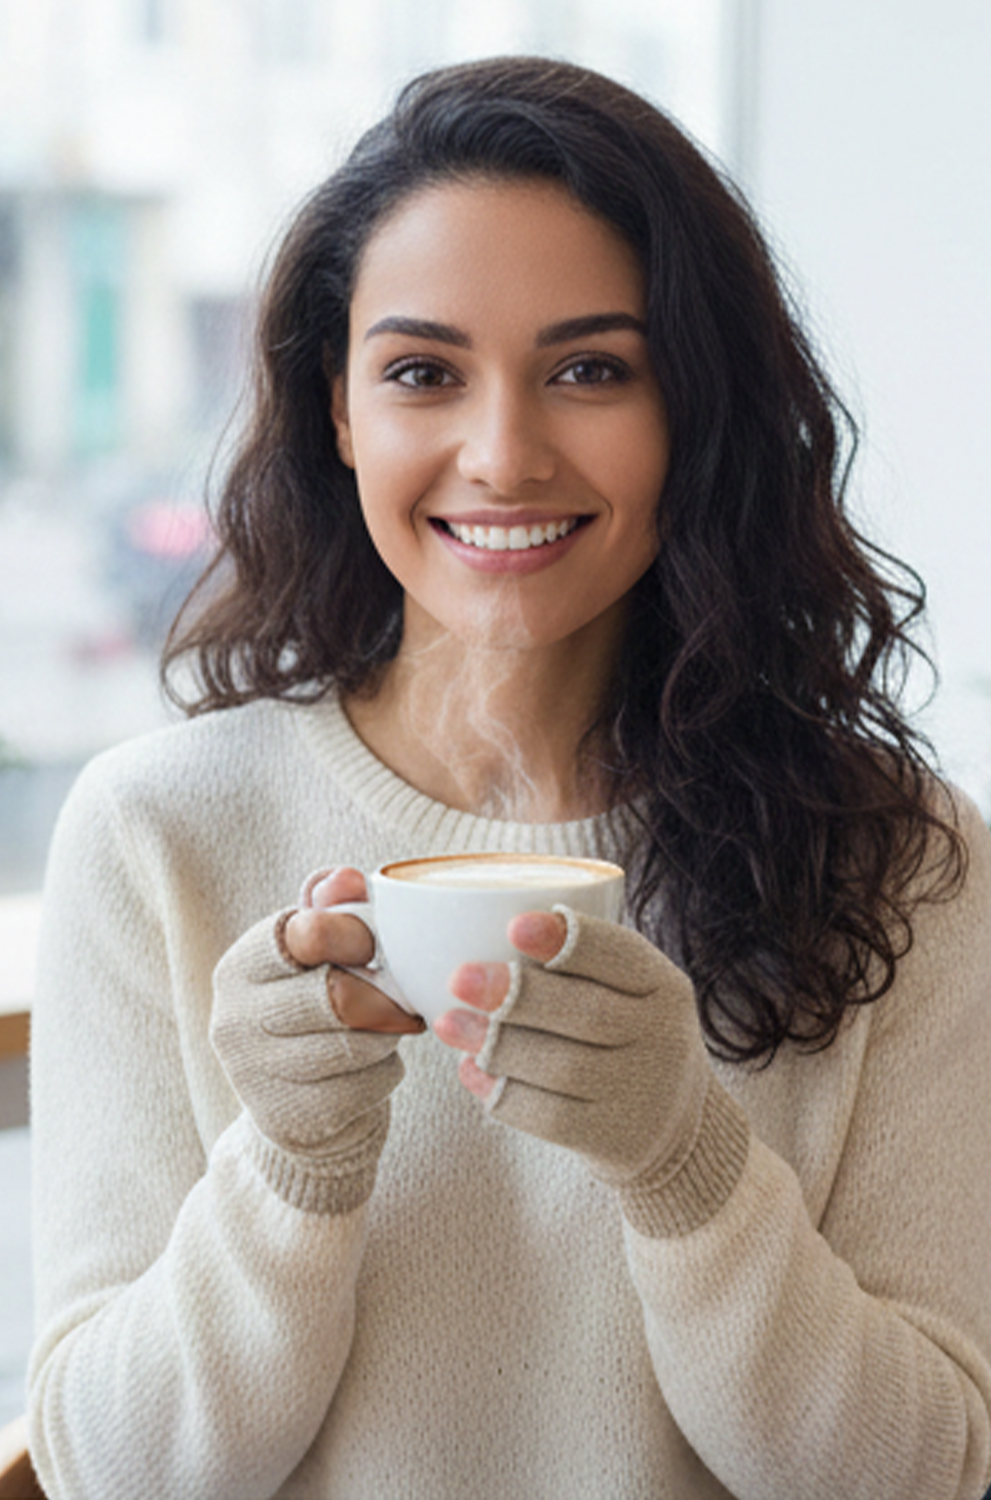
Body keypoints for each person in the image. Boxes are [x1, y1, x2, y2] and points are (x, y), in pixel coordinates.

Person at [26, 55, 991, 1500]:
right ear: (338, 411)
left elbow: (926, 1472)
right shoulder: (154, 836)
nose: (502, 453)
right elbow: (114, 1472)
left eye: (590, 370)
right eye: (422, 373)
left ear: (695, 410)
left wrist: (685, 1166)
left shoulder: (903, 859)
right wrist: (288, 1164)